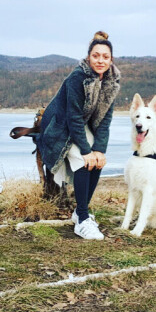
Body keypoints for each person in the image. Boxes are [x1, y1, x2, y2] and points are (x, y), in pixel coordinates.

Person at [36, 31, 121, 240]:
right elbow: (73, 117)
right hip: (60, 127)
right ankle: (82, 220)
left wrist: (100, 150)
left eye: (105, 56)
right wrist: (86, 150)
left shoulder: (111, 81)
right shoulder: (77, 77)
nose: (100, 60)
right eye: (96, 55)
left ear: (111, 60)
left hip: (80, 126)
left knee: (98, 161)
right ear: (88, 56)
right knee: (85, 160)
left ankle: (80, 212)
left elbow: (104, 120)